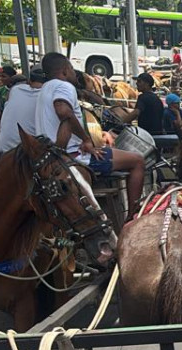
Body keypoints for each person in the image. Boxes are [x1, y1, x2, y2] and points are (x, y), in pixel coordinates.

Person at [36, 52, 144, 222]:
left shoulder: (44, 88)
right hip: (75, 158)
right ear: (64, 71)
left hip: (53, 157)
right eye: (71, 68)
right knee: (137, 161)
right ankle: (133, 218)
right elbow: (63, 111)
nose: (73, 72)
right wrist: (86, 140)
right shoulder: (65, 87)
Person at [0, 68, 45, 151]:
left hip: (3, 154)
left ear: (29, 81)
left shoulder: (16, 90)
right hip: (24, 157)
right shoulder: (47, 96)